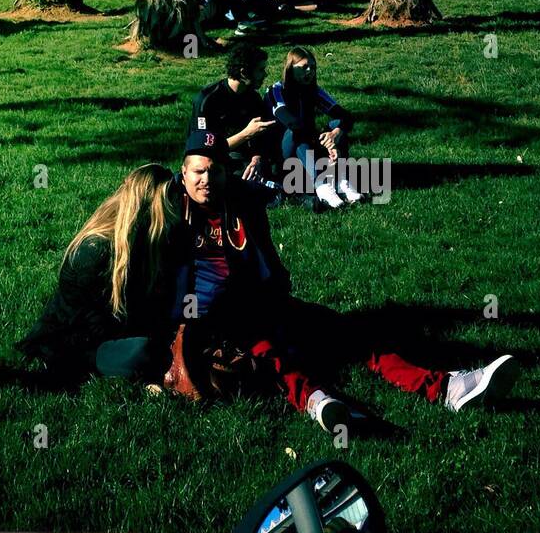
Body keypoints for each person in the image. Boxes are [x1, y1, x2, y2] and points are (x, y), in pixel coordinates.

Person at [164, 130, 518, 424]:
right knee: (271, 356)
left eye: (214, 171)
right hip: (216, 324)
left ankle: (446, 389)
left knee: (355, 336)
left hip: (266, 306)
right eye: (198, 172)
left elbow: (271, 221)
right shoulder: (169, 213)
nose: (206, 180)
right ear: (183, 173)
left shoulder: (240, 206)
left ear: (227, 173)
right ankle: (321, 405)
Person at [16, 164, 187, 384]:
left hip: (118, 334)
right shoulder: (95, 251)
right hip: (78, 344)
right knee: (144, 351)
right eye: (168, 202)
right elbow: (84, 326)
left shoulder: (149, 244)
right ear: (152, 204)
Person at [267, 46, 363, 208]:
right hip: (283, 153)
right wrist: (324, 141)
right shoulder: (276, 90)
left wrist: (334, 134)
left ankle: (341, 181)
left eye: (313, 66)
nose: (310, 71)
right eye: (304, 67)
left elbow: (346, 116)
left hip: (309, 147)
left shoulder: (313, 91)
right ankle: (322, 185)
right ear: (290, 68)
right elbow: (291, 122)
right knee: (296, 132)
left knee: (336, 124)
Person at [190, 49, 283, 189]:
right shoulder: (208, 100)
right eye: (260, 70)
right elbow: (204, 150)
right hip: (217, 161)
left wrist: (256, 159)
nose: (265, 74)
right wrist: (246, 133)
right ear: (243, 72)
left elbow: (261, 140)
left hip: (247, 159)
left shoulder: (253, 98)